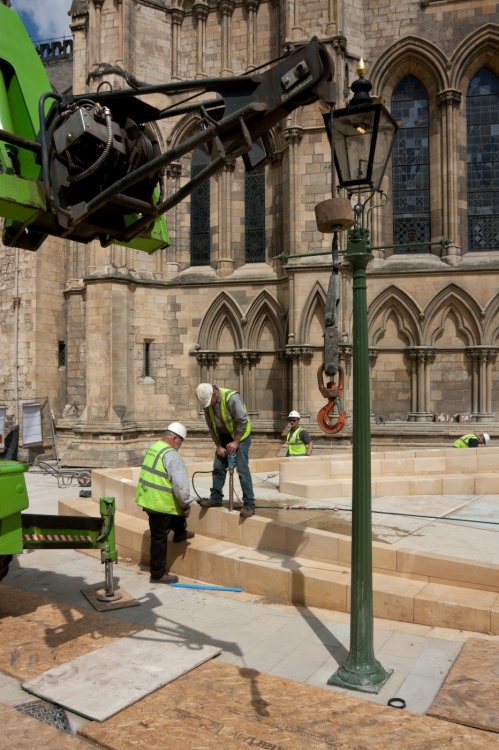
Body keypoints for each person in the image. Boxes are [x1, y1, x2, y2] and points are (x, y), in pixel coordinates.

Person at [135, 422, 195, 584]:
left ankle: (180, 532)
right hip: (160, 503)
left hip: (148, 499)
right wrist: (187, 503)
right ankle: (157, 574)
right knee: (159, 539)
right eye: (181, 441)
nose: (180, 445)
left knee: (174, 517)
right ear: (175, 438)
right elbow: (180, 486)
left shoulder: (154, 448)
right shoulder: (172, 456)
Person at [195, 383, 255, 518]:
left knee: (242, 470)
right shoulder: (208, 404)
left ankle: (249, 504)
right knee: (218, 467)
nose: (208, 406)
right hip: (224, 438)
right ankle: (215, 498)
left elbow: (242, 420)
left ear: (214, 394)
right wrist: (218, 446)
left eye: (209, 402)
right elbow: (211, 427)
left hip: (241, 437)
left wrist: (236, 442)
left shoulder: (232, 399)